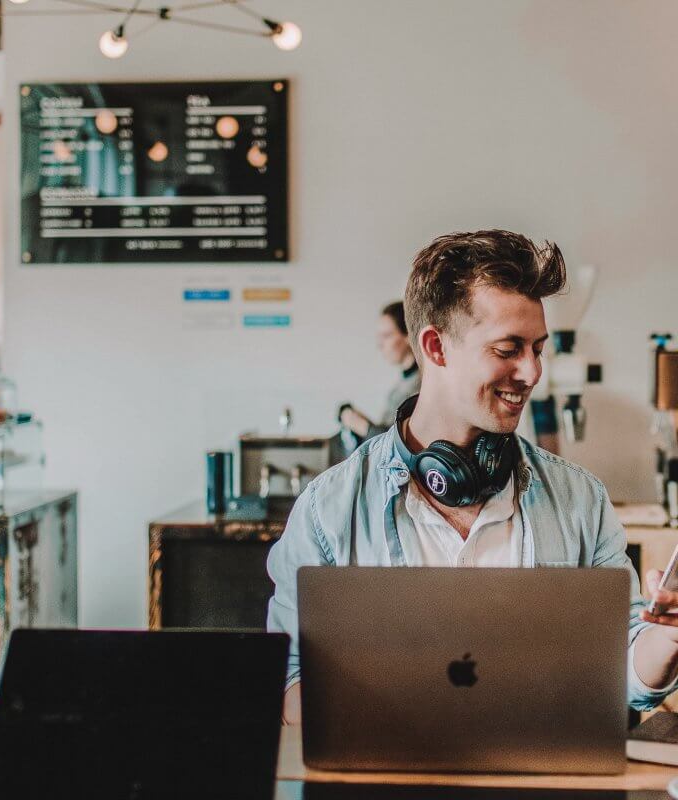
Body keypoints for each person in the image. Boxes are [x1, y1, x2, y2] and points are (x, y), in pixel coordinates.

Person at [267, 229, 678, 726]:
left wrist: (666, 638)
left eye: (538, 349)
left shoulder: (581, 499)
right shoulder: (325, 511)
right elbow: (288, 680)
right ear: (436, 347)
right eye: (508, 349)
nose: (531, 373)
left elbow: (626, 677)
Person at [340, 302, 422, 441]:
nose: (380, 344)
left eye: (387, 335)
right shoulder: (404, 381)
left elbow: (400, 444)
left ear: (408, 335)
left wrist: (362, 426)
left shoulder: (421, 384)